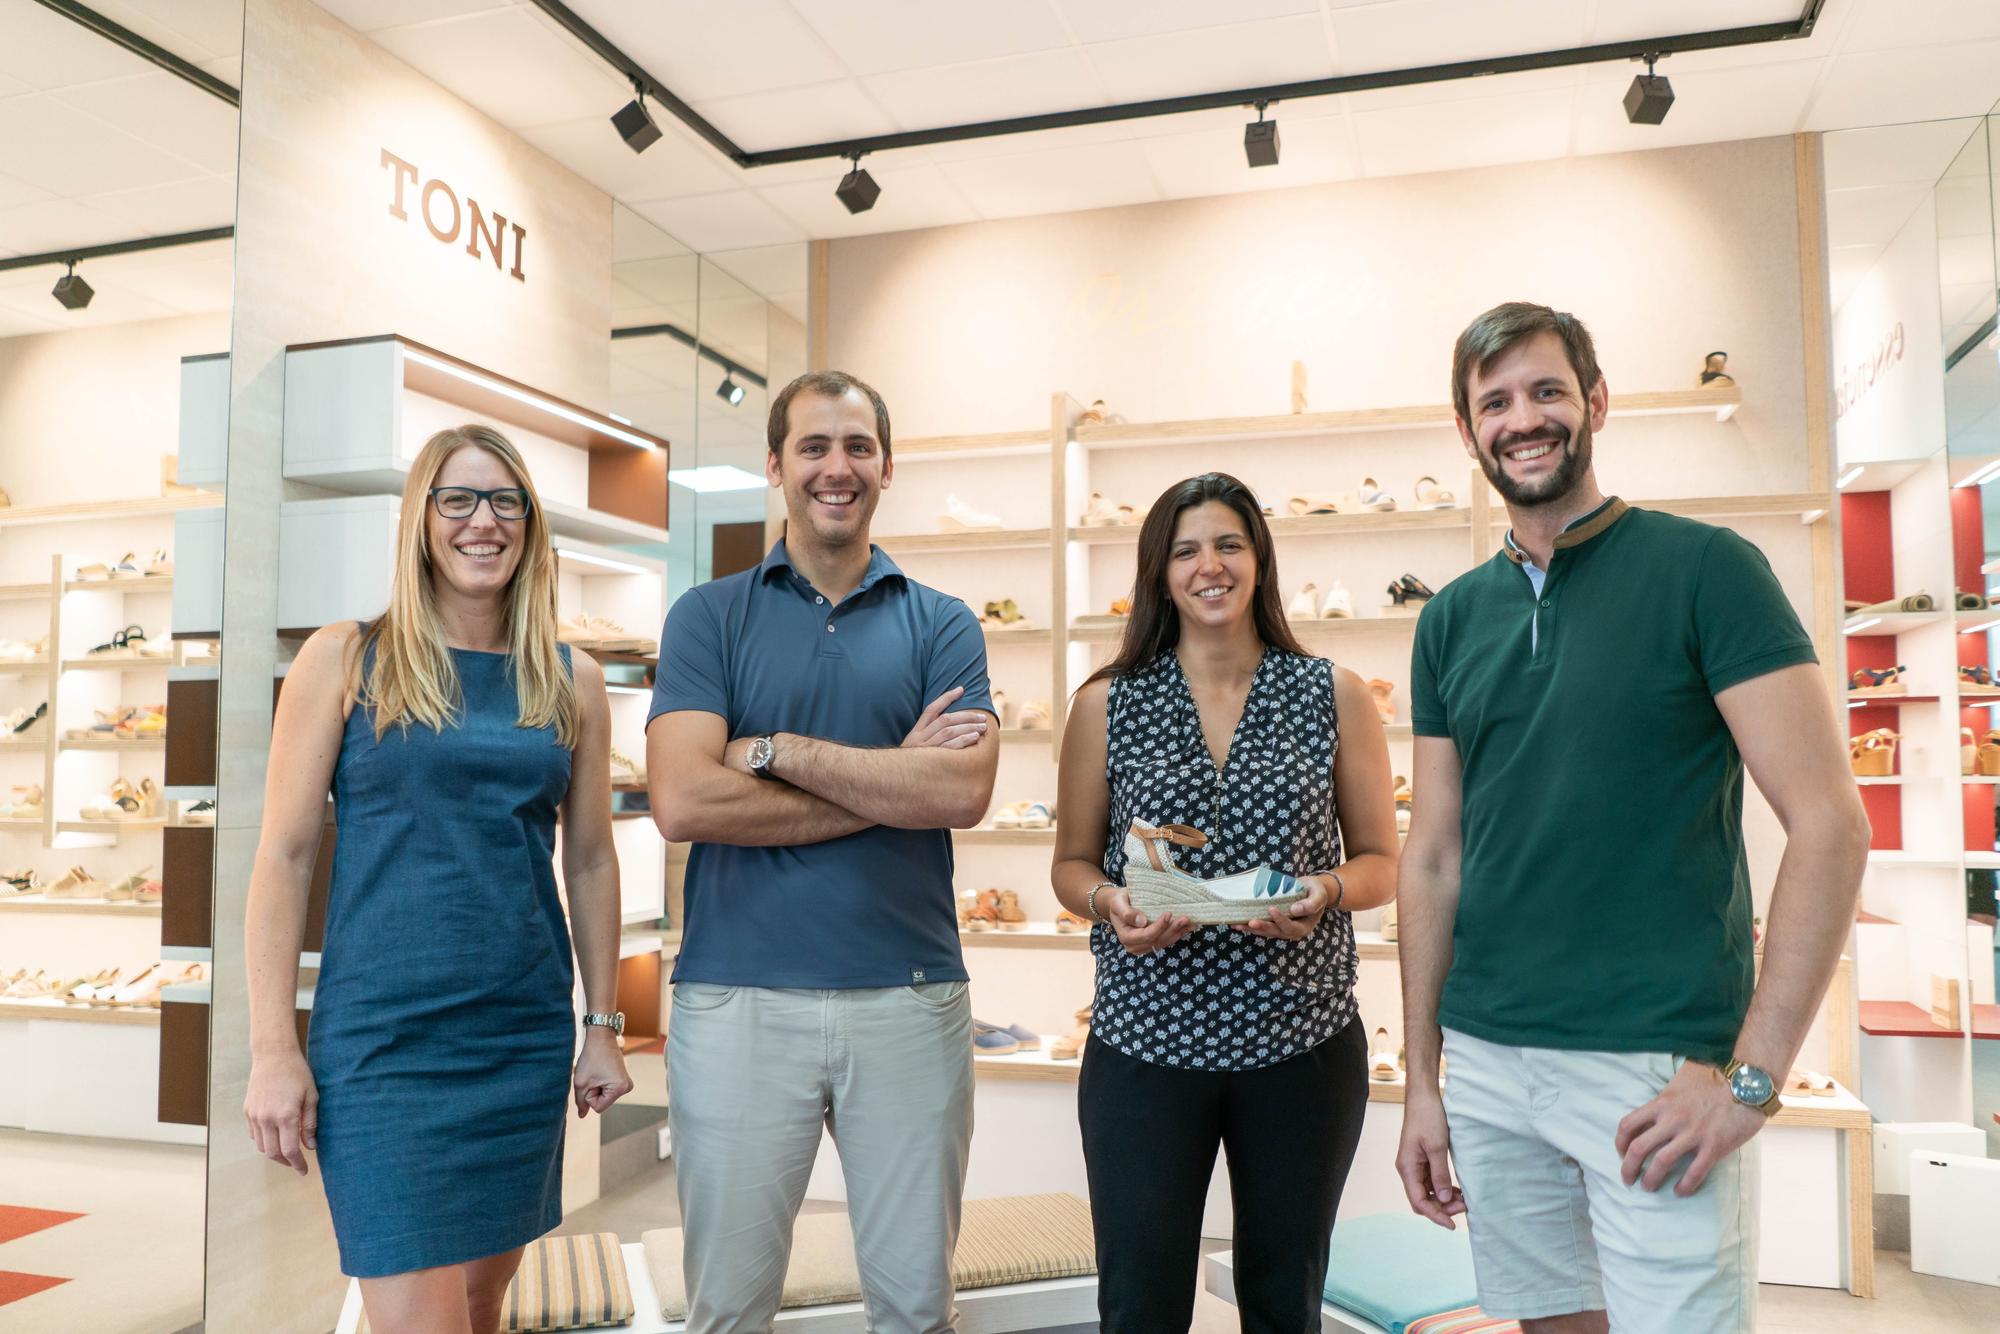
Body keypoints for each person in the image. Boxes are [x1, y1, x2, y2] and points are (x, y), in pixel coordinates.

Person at [1395, 303, 1868, 1333]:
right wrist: (1422, 1079)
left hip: (1650, 1065)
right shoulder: (1449, 618)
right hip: (1485, 1056)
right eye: (1494, 401)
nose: (1522, 418)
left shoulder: (1705, 570)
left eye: (1545, 390)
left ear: (1594, 401)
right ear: (1468, 429)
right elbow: (1430, 857)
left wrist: (1752, 1077)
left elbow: (1829, 822)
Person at [242, 425, 633, 1334]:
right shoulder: (344, 658)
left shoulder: (569, 677)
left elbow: (589, 858)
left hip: (519, 1037)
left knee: (481, 1302)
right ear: (421, 519)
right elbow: (284, 856)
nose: (481, 522)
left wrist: (602, 1027)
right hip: (384, 1045)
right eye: (456, 500)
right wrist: (273, 1048)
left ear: (531, 525)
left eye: (505, 501)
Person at [648, 370, 1001, 1333]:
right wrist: (891, 783)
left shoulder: (943, 623)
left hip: (912, 996)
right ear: (775, 464)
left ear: (887, 465)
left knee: (918, 1307)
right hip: (736, 1000)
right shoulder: (707, 616)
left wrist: (776, 754)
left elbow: (962, 791)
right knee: (727, 1309)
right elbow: (682, 799)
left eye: (856, 447)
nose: (835, 468)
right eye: (813, 447)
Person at [1052, 472, 1399, 1333]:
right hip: (1144, 1043)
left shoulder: (1334, 693)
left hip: (1301, 1044)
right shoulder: (1107, 703)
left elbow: (1381, 862)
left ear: (1259, 558)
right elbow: (1067, 865)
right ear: (1159, 572)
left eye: (1229, 544)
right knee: (1140, 1302)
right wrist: (1110, 903)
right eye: (1186, 549)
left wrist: (1326, 890)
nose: (1210, 565)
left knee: (1285, 1299)